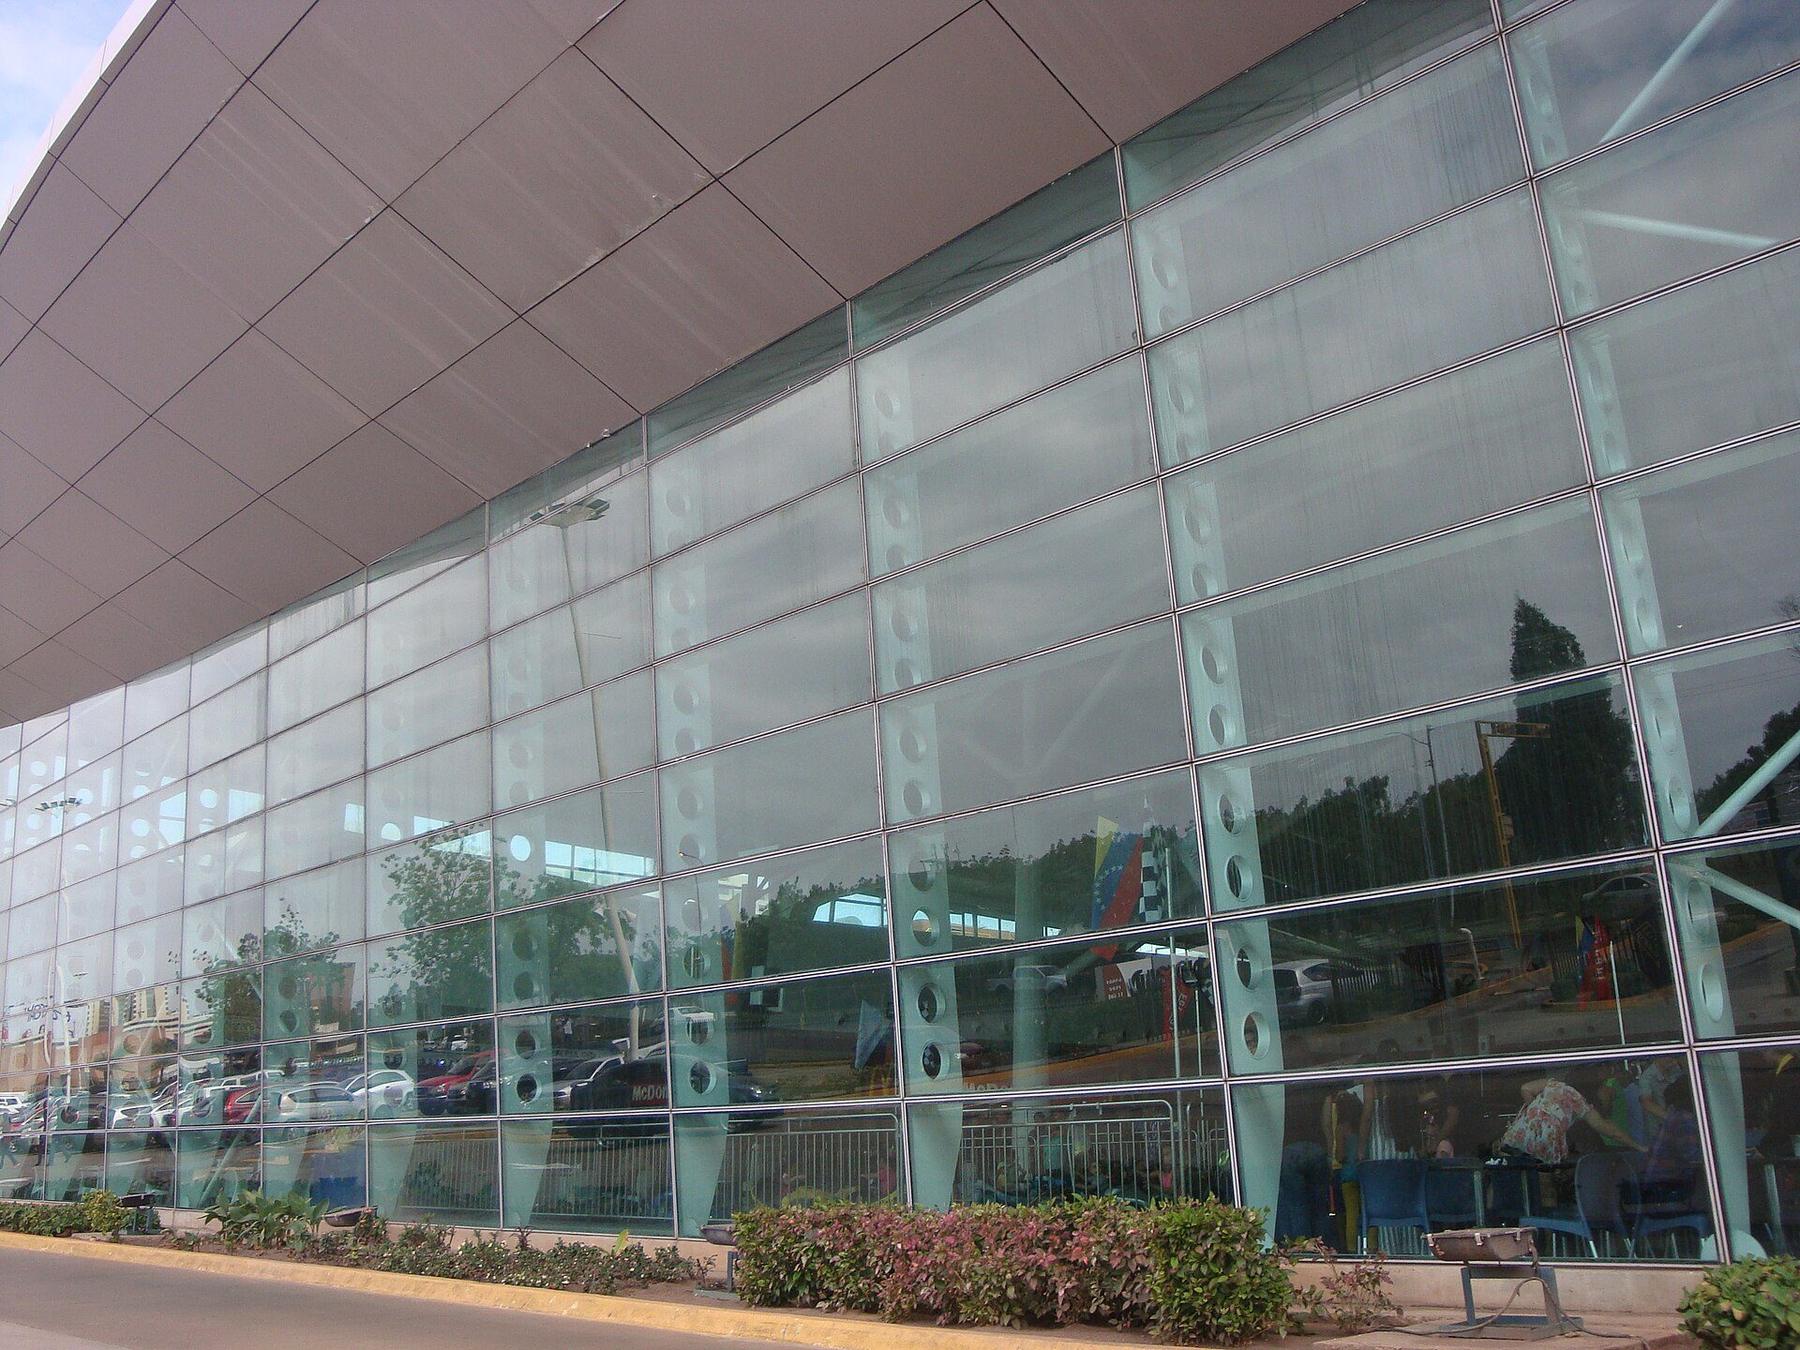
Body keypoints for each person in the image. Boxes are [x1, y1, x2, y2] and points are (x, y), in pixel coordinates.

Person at [1495, 1075, 1641, 1165]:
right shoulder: (1579, 1103)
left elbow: (1525, 1088)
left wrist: (1535, 1111)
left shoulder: (1553, 1084)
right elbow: (1611, 1131)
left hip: (1514, 1139)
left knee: (1504, 1178)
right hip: (1542, 1149)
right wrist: (1639, 1147)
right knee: (1543, 1185)